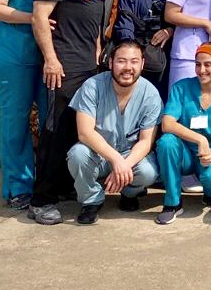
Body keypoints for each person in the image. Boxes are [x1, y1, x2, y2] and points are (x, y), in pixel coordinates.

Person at [28, 0, 107, 226]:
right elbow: (39, 17)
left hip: (90, 67)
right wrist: (50, 58)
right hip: (62, 67)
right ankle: (41, 199)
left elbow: (96, 20)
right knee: (55, 132)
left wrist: (99, 53)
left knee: (79, 132)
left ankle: (64, 187)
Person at [0, 0, 64, 209]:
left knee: (55, 120)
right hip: (14, 53)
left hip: (54, 53)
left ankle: (51, 181)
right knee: (15, 120)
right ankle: (18, 186)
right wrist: (32, 18)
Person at [66, 40, 162, 224]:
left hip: (130, 155)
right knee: (77, 154)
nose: (128, 67)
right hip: (98, 154)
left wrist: (125, 164)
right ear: (110, 63)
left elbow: (145, 141)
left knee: (149, 172)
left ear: (142, 64)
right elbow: (85, 133)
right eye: (121, 61)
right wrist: (116, 160)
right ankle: (91, 201)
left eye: (134, 61)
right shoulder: (92, 86)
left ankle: (129, 193)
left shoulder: (150, 94)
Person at [155, 41, 211, 224]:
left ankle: (210, 192)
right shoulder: (181, 88)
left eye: (208, 64)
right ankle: (173, 203)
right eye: (197, 64)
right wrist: (199, 139)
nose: (201, 70)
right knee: (167, 142)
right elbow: (167, 123)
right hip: (186, 153)